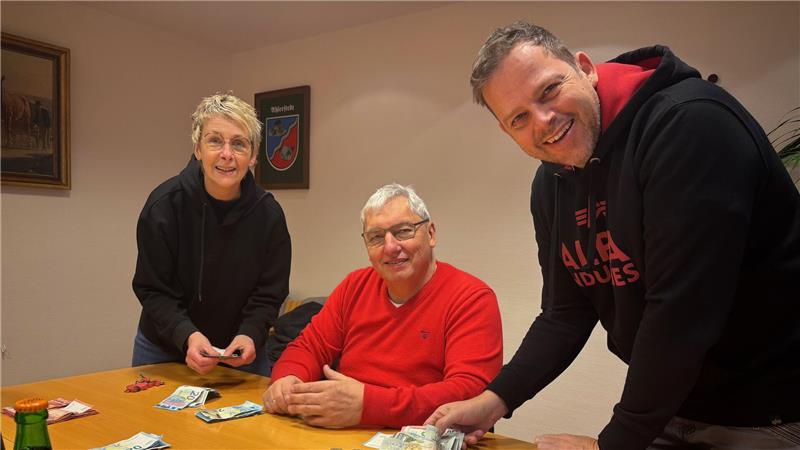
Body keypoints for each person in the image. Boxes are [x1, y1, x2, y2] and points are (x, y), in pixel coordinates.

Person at [426, 21, 800, 450]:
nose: (544, 121)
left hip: (774, 413)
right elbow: (564, 313)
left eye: (548, 90)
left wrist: (612, 445)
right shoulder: (551, 183)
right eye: (519, 118)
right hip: (678, 407)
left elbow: (681, 315)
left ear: (585, 68)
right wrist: (494, 400)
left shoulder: (690, 123)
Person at [263, 183, 503, 428]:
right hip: (343, 432)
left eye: (403, 231)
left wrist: (368, 405)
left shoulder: (471, 297)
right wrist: (288, 378)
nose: (390, 247)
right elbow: (308, 347)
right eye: (376, 237)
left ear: (431, 234)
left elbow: (470, 394)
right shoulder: (354, 286)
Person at [132, 93, 291, 376]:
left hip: (241, 352)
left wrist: (251, 333)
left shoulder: (269, 216)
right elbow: (153, 289)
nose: (227, 154)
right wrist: (187, 335)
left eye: (239, 144)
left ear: (253, 156)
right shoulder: (164, 206)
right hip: (164, 347)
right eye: (215, 140)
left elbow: (269, 294)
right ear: (198, 149)